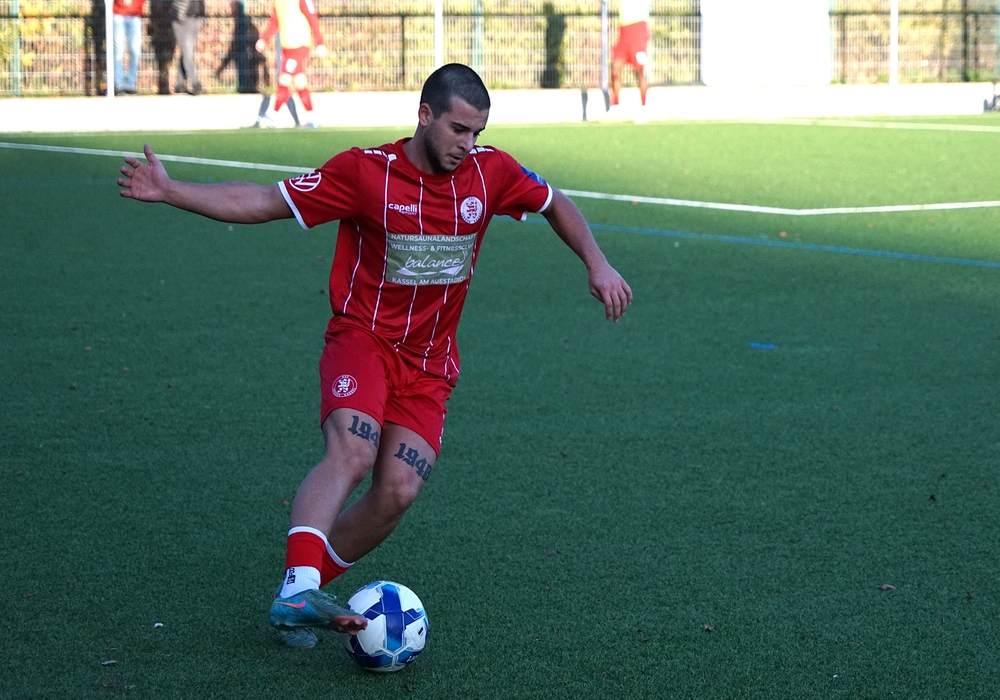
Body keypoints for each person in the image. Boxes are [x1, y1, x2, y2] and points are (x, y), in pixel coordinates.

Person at [117, 63, 633, 649]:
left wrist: (597, 263)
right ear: (425, 115)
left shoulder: (490, 173)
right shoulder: (365, 173)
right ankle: (299, 588)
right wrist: (171, 191)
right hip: (363, 341)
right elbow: (263, 200)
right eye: (458, 129)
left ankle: (303, 593)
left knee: (397, 491)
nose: (468, 145)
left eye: (477, 133)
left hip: (430, 364)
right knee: (354, 450)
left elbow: (554, 201)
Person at [254, 0, 327, 128]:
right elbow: (274, 23)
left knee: (284, 79)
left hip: (299, 45)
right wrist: (264, 39)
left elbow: (313, 19)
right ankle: (312, 116)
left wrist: (319, 42)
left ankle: (273, 115)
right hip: (287, 48)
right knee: (300, 82)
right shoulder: (278, 2)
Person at [609, 0, 650, 114]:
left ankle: (644, 107)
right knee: (614, 70)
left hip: (638, 30)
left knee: (639, 72)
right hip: (624, 32)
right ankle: (615, 106)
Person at [171, 0, 205, 95]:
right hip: (183, 18)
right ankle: (196, 84)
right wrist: (179, 15)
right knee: (188, 53)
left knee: (187, 52)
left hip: (197, 17)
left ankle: (180, 84)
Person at [112, 0, 144, 95]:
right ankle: (119, 85)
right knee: (119, 51)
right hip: (118, 14)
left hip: (135, 15)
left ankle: (130, 85)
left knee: (135, 51)